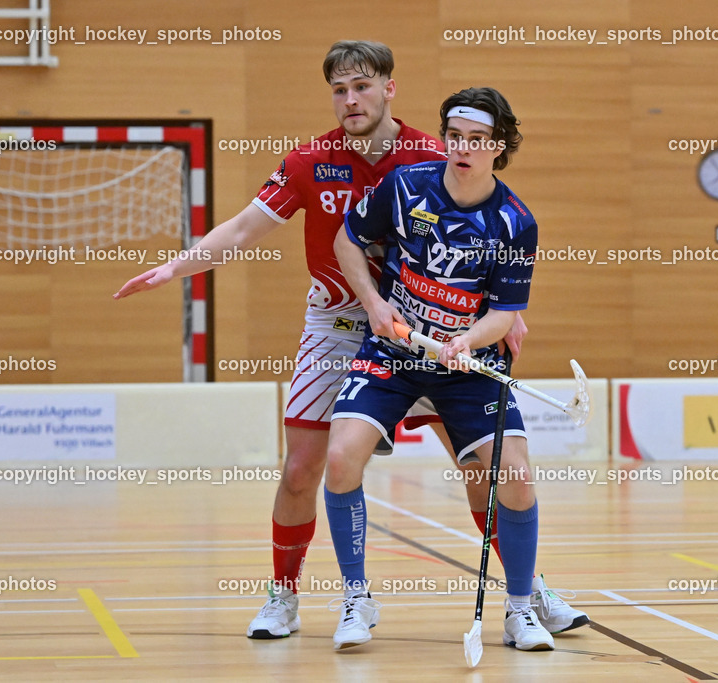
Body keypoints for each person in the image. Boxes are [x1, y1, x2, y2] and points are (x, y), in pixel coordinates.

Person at [114, 42, 584, 642]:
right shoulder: (311, 160)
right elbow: (242, 228)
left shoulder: (433, 152)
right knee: (304, 469)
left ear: (390, 88)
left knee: (485, 468)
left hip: (431, 333)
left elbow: (482, 232)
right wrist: (175, 268)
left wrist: (501, 314)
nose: (350, 100)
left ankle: (527, 591)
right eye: (339, 90)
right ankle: (284, 596)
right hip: (341, 326)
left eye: (362, 86)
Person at [325, 86, 560, 652]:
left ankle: (522, 609)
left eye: (477, 140)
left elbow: (505, 314)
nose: (462, 148)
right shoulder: (406, 186)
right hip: (394, 355)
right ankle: (356, 598)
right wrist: (375, 305)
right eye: (455, 136)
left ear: (498, 147)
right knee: (339, 458)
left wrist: (466, 341)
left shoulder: (514, 222)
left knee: (516, 478)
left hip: (469, 366)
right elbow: (347, 241)